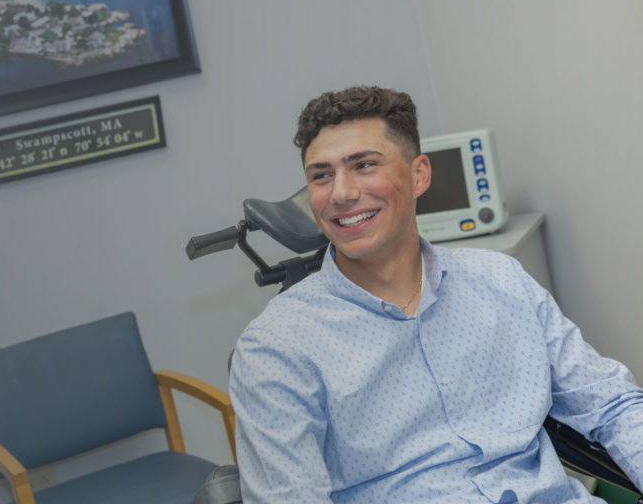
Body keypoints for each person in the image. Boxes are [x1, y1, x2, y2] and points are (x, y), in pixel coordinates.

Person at [229, 85, 643, 503]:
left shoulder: (501, 280)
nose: (341, 193)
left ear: (419, 174)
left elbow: (612, 403)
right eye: (322, 175)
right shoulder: (277, 347)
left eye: (364, 165)